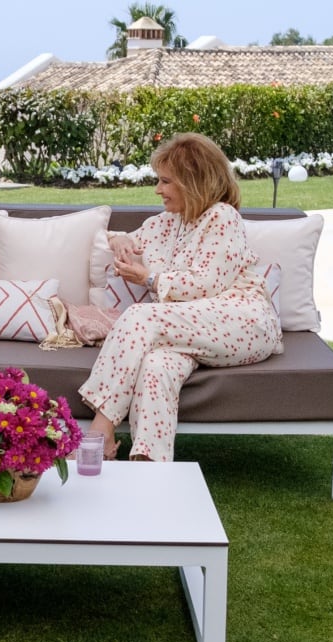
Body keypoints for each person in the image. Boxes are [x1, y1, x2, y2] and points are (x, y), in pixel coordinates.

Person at [78, 132, 281, 462]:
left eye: (165, 181)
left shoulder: (222, 217)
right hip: (186, 330)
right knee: (157, 366)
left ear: (193, 181)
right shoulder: (164, 223)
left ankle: (100, 431)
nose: (158, 189)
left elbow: (205, 285)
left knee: (140, 315)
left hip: (240, 322)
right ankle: (149, 468)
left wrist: (149, 278)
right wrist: (119, 241)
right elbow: (127, 238)